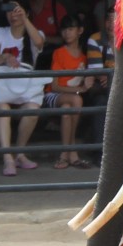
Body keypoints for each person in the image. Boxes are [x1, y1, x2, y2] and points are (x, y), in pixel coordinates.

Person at [0, 2, 48, 177]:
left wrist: (25, 20)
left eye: (17, 11)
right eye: (9, 12)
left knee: (33, 109)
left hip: (25, 88)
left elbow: (39, 42)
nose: (13, 15)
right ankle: (8, 158)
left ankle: (19, 153)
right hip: (2, 88)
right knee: (3, 110)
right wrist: (5, 57)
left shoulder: (36, 34)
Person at [39, 11, 93, 168]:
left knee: (67, 109)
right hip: (52, 95)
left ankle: (65, 154)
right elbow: (54, 86)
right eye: (64, 30)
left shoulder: (84, 56)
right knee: (76, 99)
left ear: (80, 31)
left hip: (67, 100)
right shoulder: (58, 53)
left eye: (71, 29)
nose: (66, 33)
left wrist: (84, 87)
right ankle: (72, 151)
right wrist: (80, 89)